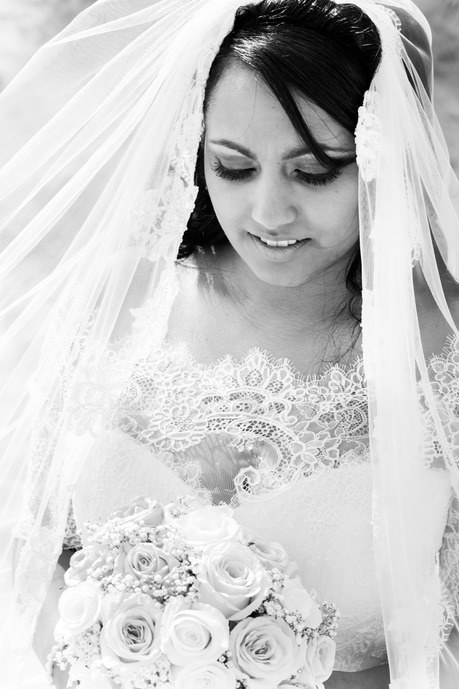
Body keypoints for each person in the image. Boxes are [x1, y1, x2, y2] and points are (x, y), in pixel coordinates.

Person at [0, 0, 458, 687]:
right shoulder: (121, 297)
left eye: (314, 171)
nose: (269, 213)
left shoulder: (441, 349)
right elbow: (38, 558)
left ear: (379, 158)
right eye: (234, 168)